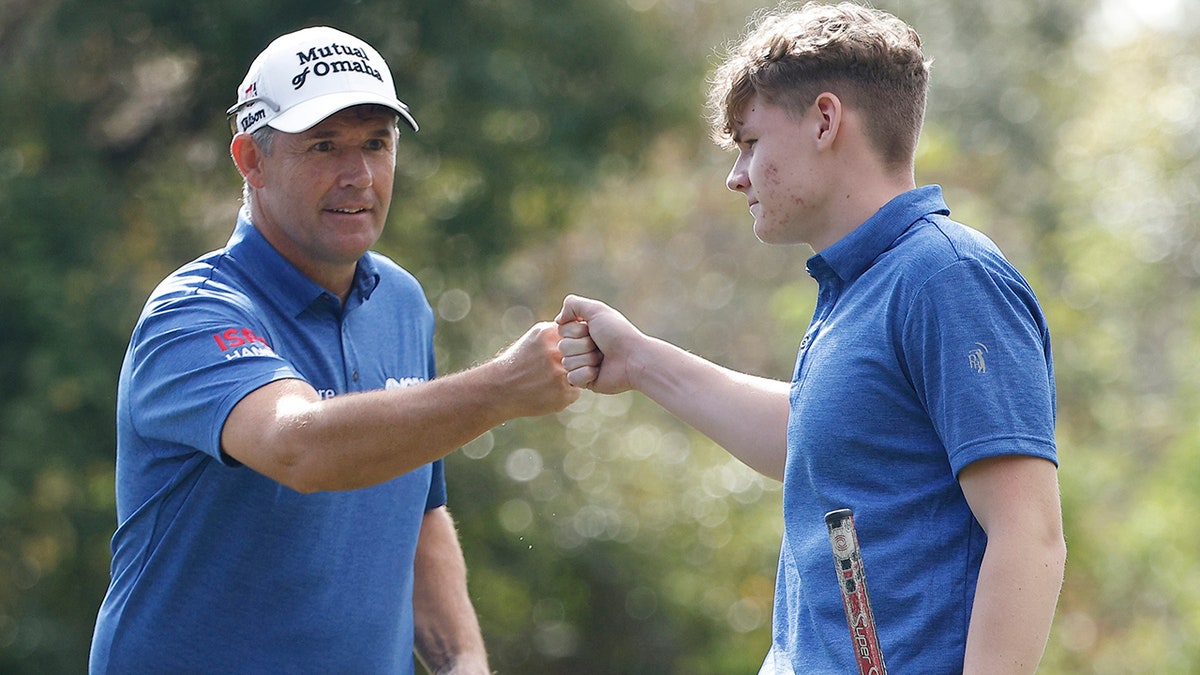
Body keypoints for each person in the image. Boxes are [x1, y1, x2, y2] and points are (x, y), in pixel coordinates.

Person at [556, 2, 1065, 673]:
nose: (736, 176)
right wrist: (643, 361)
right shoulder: (862, 286)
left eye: (750, 143)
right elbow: (813, 438)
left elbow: (1030, 533)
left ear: (825, 120)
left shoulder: (947, 275)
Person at [89, 26, 579, 674]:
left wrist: (463, 659)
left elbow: (420, 515)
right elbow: (302, 447)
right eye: (324, 146)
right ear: (250, 160)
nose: (358, 175)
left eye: (376, 143)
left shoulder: (402, 303)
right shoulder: (193, 314)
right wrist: (501, 387)